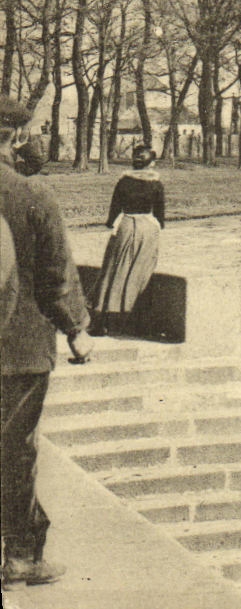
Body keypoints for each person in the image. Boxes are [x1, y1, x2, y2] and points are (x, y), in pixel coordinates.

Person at [1, 97, 94, 589]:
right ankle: (20, 556)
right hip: (18, 348)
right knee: (15, 450)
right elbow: (56, 277)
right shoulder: (33, 195)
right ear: (16, 135)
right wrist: (77, 330)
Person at [90, 144, 166, 337]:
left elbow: (115, 206)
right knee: (141, 271)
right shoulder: (156, 183)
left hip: (125, 225)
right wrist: (160, 224)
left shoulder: (124, 181)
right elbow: (159, 212)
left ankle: (104, 316)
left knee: (113, 270)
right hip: (147, 228)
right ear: (151, 163)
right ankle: (133, 315)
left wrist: (110, 223)